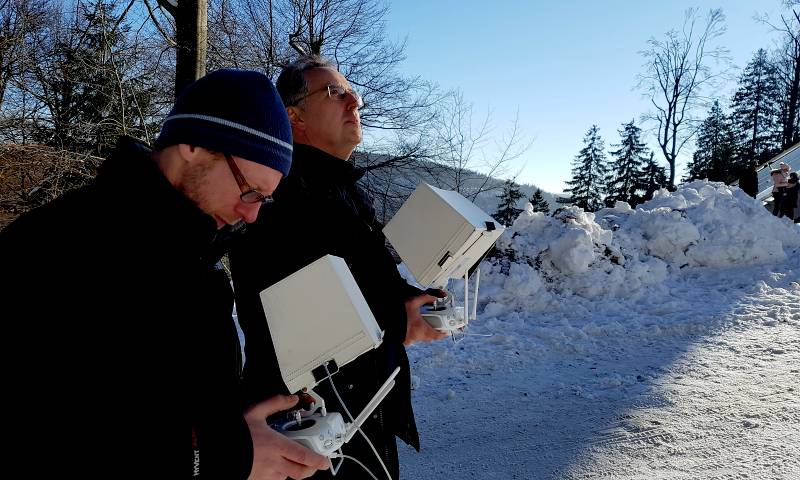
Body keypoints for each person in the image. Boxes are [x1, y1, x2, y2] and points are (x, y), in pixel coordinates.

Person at [0, 69, 329, 479]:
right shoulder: (52, 249)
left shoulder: (196, 259)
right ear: (193, 145)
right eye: (250, 191)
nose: (251, 214)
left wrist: (238, 416)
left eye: (264, 200)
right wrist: (219, 456)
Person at [229, 56, 446, 480]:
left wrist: (408, 302)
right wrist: (396, 320)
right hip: (311, 421)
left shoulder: (341, 191)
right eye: (334, 92)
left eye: (352, 92)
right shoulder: (281, 195)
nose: (354, 102)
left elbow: (371, 279)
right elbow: (292, 310)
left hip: (361, 409)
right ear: (294, 117)